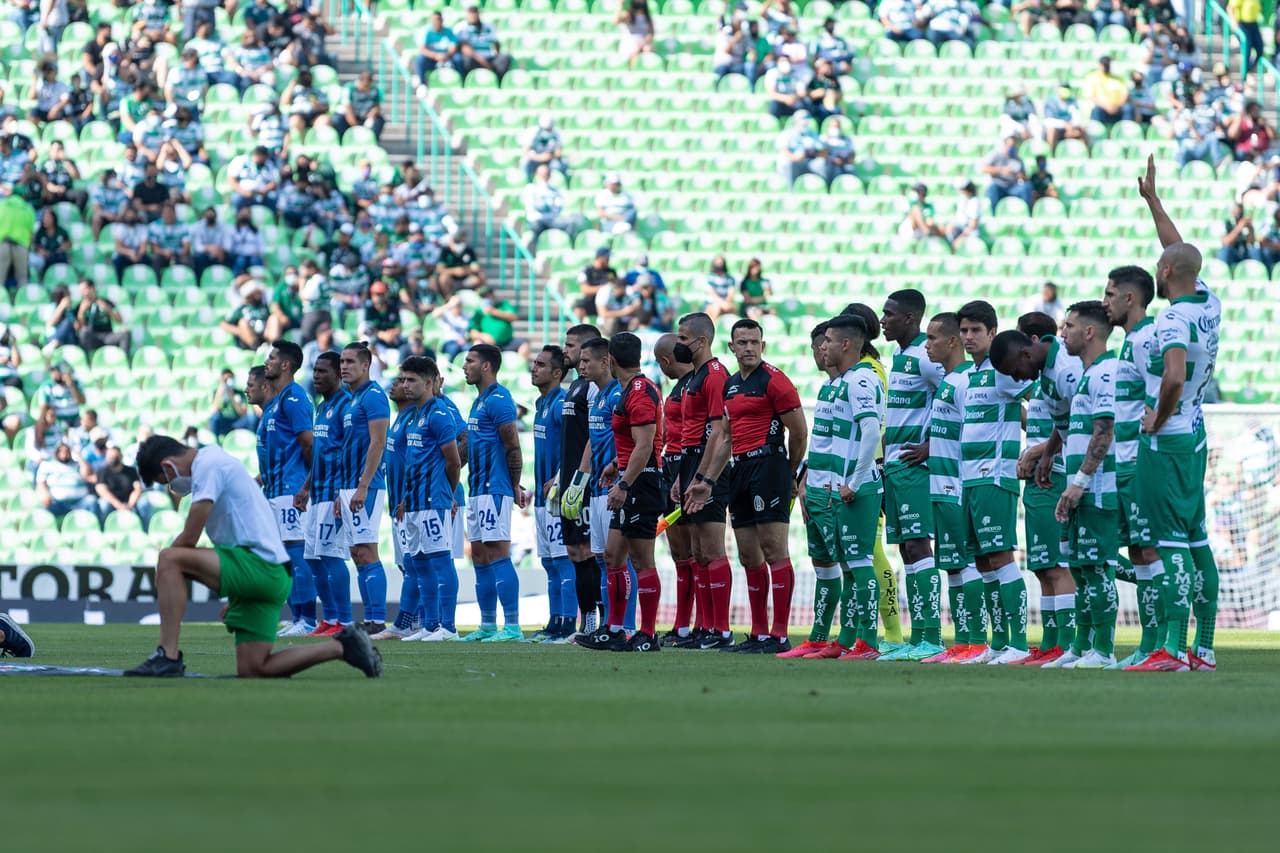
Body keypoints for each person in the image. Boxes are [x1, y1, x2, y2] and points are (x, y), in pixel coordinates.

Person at [122, 435, 382, 678]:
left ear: (168, 466)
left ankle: (167, 655)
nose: (172, 488)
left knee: (169, 558)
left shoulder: (208, 464)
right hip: (273, 574)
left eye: (166, 481)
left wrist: (165, 571)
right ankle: (343, 646)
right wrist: (238, 591)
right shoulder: (216, 462)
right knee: (254, 667)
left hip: (260, 567)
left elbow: (189, 539)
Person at [1126, 156, 1220, 673]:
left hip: (1171, 435)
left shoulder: (1172, 320)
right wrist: (1153, 202)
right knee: (1196, 536)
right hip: (1199, 431)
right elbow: (1179, 254)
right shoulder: (1209, 301)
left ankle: (1167, 650)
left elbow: (1175, 375)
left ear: (1164, 275)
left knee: (1169, 541)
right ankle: (1202, 648)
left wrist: (1156, 421)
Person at [683, 319, 807, 654]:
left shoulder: (776, 381)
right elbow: (724, 436)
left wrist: (789, 472)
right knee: (748, 555)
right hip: (738, 469)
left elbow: (798, 432)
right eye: (742, 342)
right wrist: (706, 480)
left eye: (754, 342)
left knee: (773, 549)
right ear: (732, 347)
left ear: (762, 346)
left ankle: (779, 635)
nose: (749, 347)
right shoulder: (731, 385)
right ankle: (758, 633)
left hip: (768, 467)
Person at [990, 314, 1084, 667]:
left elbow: (1081, 419)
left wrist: (1043, 452)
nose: (1016, 378)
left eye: (1016, 368)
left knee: (1060, 566)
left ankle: (1065, 643)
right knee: (1044, 567)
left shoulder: (1064, 370)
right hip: (1042, 474)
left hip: (1059, 474)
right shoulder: (1044, 378)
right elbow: (1058, 422)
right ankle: (1050, 642)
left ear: (1030, 344)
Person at [795, 315, 885, 659]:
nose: (822, 346)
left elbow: (871, 433)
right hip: (834, 488)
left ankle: (868, 643)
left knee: (859, 563)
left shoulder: (861, 379)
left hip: (855, 489)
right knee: (849, 565)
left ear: (846, 344)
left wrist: (855, 482)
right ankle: (846, 641)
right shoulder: (839, 382)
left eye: (828, 341)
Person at [1045, 300, 1121, 668]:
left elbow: (1105, 433)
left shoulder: (1107, 372)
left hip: (1098, 488)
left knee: (1096, 566)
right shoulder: (1088, 373)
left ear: (1089, 332)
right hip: (1079, 486)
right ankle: (1081, 646)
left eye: (1069, 326)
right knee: (1079, 568)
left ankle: (1104, 650)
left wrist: (1080, 481)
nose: (1063, 334)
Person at [956, 300, 1033, 664]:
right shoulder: (970, 375)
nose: (968, 337)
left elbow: (1040, 405)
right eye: (964, 330)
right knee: (983, 562)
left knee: (1000, 557)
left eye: (976, 331)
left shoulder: (1004, 371)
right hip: (969, 480)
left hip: (994, 477)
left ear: (992, 333)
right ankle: (998, 643)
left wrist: (1039, 447)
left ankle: (1019, 643)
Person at [578, 333, 666, 652]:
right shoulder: (630, 391)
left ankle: (648, 633)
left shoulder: (640, 392)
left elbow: (646, 445)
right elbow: (646, 441)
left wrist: (625, 483)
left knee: (643, 562)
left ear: (612, 361)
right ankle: (614, 628)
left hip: (640, 486)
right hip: (630, 477)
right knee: (614, 556)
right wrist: (617, 463)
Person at [1102, 264, 1169, 669]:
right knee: (1139, 552)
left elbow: (1164, 393)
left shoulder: (1145, 339)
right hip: (1123, 462)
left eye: (1110, 294)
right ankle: (1149, 645)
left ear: (1130, 298)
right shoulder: (1131, 342)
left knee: (1149, 550)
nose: (1104, 301)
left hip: (1140, 463)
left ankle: (1161, 643)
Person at [876, 289, 948, 661]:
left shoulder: (925, 356)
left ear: (909, 318)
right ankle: (918, 636)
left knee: (920, 547)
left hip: (916, 468)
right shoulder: (900, 355)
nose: (883, 319)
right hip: (896, 468)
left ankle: (931, 636)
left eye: (889, 314)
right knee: (907, 549)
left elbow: (956, 396)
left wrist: (931, 446)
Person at [562, 337, 634, 640]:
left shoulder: (620, 393)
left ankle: (626, 626)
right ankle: (610, 625)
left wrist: (618, 465)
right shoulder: (602, 394)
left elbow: (642, 436)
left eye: (586, 361)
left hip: (616, 487)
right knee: (605, 558)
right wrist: (579, 478)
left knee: (621, 558)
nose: (580, 366)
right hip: (596, 488)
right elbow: (594, 438)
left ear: (605, 361)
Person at [672, 312, 734, 649]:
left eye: (683, 338)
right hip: (690, 461)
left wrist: (702, 475)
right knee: (697, 549)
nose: (679, 343)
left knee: (711, 547)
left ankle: (721, 629)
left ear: (702, 341)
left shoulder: (713, 375)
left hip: (708, 465)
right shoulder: (694, 377)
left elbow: (718, 431)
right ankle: (704, 626)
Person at [459, 344, 527, 641]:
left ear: (486, 366)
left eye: (470, 361)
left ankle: (511, 626)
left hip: (494, 488)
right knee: (480, 556)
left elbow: (513, 446)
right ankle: (487, 624)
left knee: (498, 554)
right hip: (476, 488)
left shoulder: (499, 399)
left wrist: (513, 485)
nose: (465, 366)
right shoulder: (479, 401)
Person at [395, 356, 463, 642]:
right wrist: (405, 499)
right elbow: (414, 461)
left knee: (440, 560)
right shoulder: (414, 416)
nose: (406, 385)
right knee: (419, 562)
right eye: (404, 379)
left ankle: (448, 626)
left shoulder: (438, 414)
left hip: (434, 501)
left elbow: (453, 461)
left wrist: (447, 494)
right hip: (414, 503)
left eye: (412, 380)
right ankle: (431, 625)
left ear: (430, 383)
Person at [257, 342, 322, 638]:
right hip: (276, 489)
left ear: (285, 365)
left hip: (292, 488)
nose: (266, 362)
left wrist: (308, 483)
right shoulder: (276, 401)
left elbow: (308, 443)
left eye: (271, 357)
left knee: (297, 554)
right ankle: (298, 616)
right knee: (286, 555)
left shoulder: (295, 397)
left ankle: (308, 618)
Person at [297, 352, 354, 637]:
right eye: (314, 371)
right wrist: (306, 486)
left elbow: (347, 454)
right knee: (313, 558)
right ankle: (329, 618)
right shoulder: (321, 408)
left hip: (333, 492)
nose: (316, 376)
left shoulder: (345, 406)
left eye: (322, 371)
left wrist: (340, 494)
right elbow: (320, 453)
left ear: (336, 374)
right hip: (316, 493)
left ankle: (344, 620)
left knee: (332, 557)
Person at [337, 342, 391, 633]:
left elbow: (378, 442)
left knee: (367, 550)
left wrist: (363, 485)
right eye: (342, 362)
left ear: (365, 365)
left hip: (365, 486)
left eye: (349, 361)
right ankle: (370, 618)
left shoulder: (373, 397)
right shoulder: (352, 399)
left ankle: (378, 620)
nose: (343, 366)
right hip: (349, 486)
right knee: (357, 552)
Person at [557, 324, 606, 640]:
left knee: (589, 551)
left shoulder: (592, 389)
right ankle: (587, 618)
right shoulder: (575, 386)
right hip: (569, 480)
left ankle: (597, 620)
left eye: (571, 345)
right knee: (575, 551)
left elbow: (594, 436)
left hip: (584, 483)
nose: (566, 350)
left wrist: (580, 479)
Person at [652, 333, 699, 646]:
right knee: (680, 552)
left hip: (687, 469)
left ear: (666, 362)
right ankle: (683, 626)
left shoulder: (696, 385)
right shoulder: (679, 389)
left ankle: (704, 626)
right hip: (672, 468)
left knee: (696, 552)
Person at [530, 345, 577, 643]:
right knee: (548, 562)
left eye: (541, 365)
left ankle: (568, 622)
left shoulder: (561, 403)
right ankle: (554, 621)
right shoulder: (540, 403)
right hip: (539, 494)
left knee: (562, 560)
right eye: (534, 363)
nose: (534, 368)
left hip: (556, 494)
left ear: (557, 373)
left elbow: (571, 445)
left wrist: (559, 479)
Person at [36, 441, 98, 520]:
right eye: (60, 451)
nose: (64, 453)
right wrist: (45, 495)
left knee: (91, 500)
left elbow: (87, 473)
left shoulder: (77, 464)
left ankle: (94, 527)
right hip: (59, 504)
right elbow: (41, 484)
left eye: (66, 451)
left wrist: (79, 456)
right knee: (44, 509)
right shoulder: (47, 465)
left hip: (79, 503)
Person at [94, 444, 147, 528]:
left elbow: (138, 488)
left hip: (129, 501)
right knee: (103, 504)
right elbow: (101, 490)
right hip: (111, 502)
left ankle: (144, 529)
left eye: (115, 456)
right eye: (110, 456)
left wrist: (130, 504)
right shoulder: (102, 471)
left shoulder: (131, 471)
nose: (112, 458)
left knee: (144, 503)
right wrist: (118, 505)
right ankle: (105, 530)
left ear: (121, 456)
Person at [521, 115, 568, 183]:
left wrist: (548, 156)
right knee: (525, 164)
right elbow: (525, 151)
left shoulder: (556, 133)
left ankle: (558, 185)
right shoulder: (532, 132)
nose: (546, 131)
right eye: (544, 128)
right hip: (534, 159)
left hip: (550, 160)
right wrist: (539, 157)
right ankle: (528, 183)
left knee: (559, 166)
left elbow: (558, 153)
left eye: (548, 128)